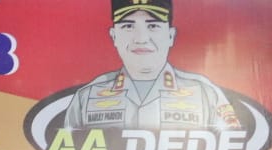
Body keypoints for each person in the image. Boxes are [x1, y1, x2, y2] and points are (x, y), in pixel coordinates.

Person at [63, 1, 241, 133]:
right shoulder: (87, 97)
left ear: (171, 35)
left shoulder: (205, 93)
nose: (141, 39)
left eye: (153, 26)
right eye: (128, 26)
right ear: (114, 36)